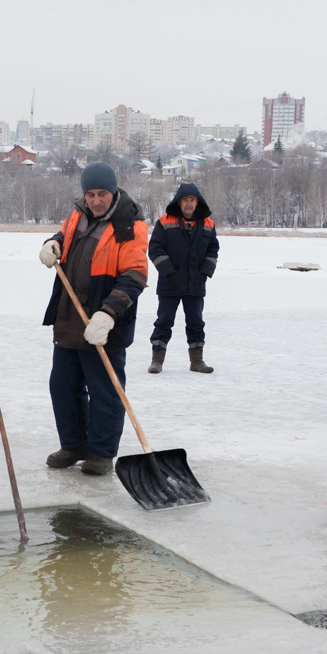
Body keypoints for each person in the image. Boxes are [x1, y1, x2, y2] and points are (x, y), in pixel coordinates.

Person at [38, 161, 149, 476]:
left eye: (102, 194)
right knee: (63, 385)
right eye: (91, 194)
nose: (96, 200)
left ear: (113, 192)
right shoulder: (78, 214)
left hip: (104, 324)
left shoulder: (130, 225)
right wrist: (52, 243)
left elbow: (135, 276)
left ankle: (101, 452)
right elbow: (65, 235)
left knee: (105, 390)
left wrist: (109, 313)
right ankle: (74, 445)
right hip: (70, 316)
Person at [147, 182, 218, 374]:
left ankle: (197, 362)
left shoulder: (208, 224)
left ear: (197, 202)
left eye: (192, 200)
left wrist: (205, 272)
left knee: (196, 323)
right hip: (169, 284)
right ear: (179, 202)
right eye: (185, 200)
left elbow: (213, 249)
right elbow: (154, 249)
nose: (189, 203)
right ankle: (157, 361)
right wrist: (169, 271)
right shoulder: (164, 222)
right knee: (164, 321)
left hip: (195, 284)